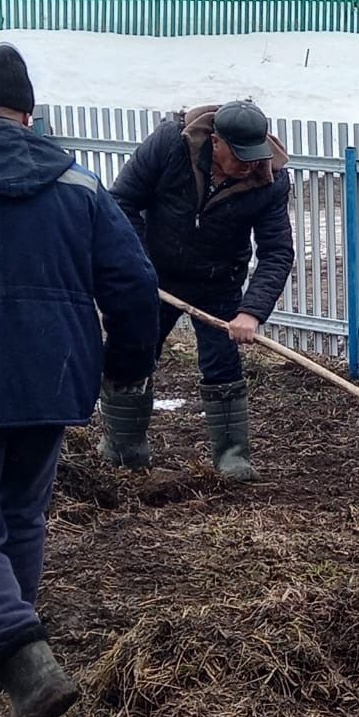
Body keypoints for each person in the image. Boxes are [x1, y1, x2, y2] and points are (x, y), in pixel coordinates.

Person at [0, 43, 159, 717]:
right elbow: (135, 285)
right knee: (21, 518)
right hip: (53, 374)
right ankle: (19, 660)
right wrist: (124, 365)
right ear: (28, 112)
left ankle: (26, 664)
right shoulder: (78, 184)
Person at [102, 100, 293, 482]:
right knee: (131, 354)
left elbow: (277, 251)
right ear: (215, 140)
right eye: (240, 156)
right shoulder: (169, 146)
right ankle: (124, 451)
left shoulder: (269, 178)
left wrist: (251, 312)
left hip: (218, 279)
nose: (249, 166)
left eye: (254, 156)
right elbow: (122, 201)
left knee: (222, 364)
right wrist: (139, 268)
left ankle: (232, 457)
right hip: (153, 277)